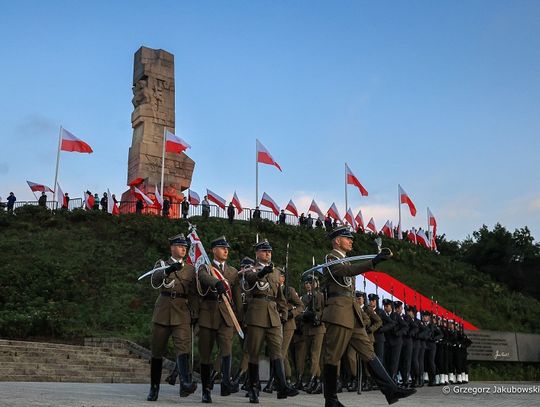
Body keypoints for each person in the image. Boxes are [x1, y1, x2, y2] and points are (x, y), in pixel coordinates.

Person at [320, 226, 415, 406]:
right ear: (336, 241)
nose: (351, 241)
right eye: (347, 238)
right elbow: (344, 273)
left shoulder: (346, 261)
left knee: (369, 352)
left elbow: (350, 273)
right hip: (339, 311)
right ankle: (330, 399)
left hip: (352, 313)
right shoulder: (331, 258)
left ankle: (391, 390)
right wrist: (373, 262)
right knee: (332, 356)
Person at [242, 239, 298, 402]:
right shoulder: (249, 268)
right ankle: (253, 388)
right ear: (257, 253)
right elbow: (250, 280)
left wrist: (285, 311)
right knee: (254, 352)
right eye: (264, 251)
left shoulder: (276, 271)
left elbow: (279, 296)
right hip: (257, 313)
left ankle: (282, 387)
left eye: (270, 251)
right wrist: (262, 272)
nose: (268, 254)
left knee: (277, 351)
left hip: (273, 315)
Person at [147, 234, 198, 401]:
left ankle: (185, 383)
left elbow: (193, 293)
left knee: (183, 347)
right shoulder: (161, 264)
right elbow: (154, 281)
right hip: (163, 310)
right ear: (172, 248)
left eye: (186, 246)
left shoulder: (191, 269)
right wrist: (167, 270)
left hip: (182, 311)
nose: (184, 248)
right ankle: (154, 388)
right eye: (180, 245)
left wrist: (195, 312)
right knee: (157, 350)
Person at [196, 236, 242, 402]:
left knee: (226, 350)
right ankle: (206, 390)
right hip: (208, 314)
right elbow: (202, 277)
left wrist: (241, 318)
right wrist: (216, 283)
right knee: (206, 355)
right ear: (214, 250)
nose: (226, 250)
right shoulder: (205, 267)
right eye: (222, 248)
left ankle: (225, 383)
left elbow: (237, 298)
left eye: (227, 248)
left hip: (226, 316)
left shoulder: (233, 271)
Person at [263, 268, 304, 394]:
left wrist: (291, 313)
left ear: (283, 278)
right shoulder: (271, 288)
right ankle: (286, 378)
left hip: (287, 325)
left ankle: (272, 382)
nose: (276, 277)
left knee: (280, 352)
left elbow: (301, 306)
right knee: (278, 353)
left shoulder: (289, 290)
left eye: (279, 276)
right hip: (274, 322)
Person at [297, 276, 326, 394]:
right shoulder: (303, 297)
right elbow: (300, 311)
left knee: (315, 355)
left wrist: (317, 316)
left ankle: (313, 380)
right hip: (307, 328)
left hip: (318, 328)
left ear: (316, 284)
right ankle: (318, 381)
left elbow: (325, 310)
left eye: (311, 282)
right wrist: (304, 315)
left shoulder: (320, 296)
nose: (308, 285)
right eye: (306, 283)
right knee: (311, 356)